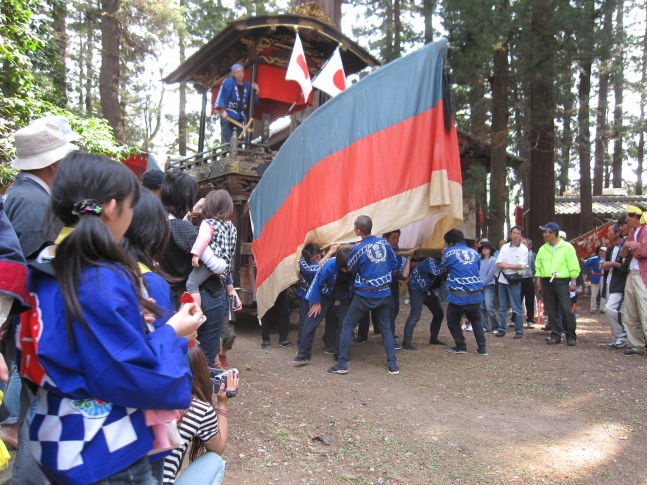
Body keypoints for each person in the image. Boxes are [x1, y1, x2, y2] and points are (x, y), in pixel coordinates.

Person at [19, 153, 201, 484]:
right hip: (104, 447)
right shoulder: (101, 278)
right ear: (111, 208)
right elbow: (132, 372)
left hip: (55, 431)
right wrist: (174, 330)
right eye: (131, 207)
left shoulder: (43, 266)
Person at [5, 120, 78, 485]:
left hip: (24, 330)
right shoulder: (36, 204)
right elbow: (38, 278)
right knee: (38, 412)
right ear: (54, 165)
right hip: (35, 330)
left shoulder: (19, 194)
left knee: (32, 411)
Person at [158, 171, 242, 368]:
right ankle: (203, 394)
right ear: (186, 196)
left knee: (186, 351)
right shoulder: (183, 228)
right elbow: (208, 253)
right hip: (207, 295)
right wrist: (223, 272)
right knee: (204, 358)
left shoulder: (159, 226)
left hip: (178, 297)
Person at [329, 216, 399, 375]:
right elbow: (394, 263)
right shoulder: (384, 243)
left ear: (358, 230)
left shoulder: (358, 249)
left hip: (364, 295)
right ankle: (392, 365)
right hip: (384, 292)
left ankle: (341, 363)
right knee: (386, 328)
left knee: (347, 325)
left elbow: (351, 268)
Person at [163, 346, 238, 484]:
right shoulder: (198, 409)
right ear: (200, 370)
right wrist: (222, 403)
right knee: (215, 461)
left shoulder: (145, 398)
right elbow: (218, 448)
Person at [291, 248, 354, 365]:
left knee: (344, 322)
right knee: (311, 319)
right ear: (338, 263)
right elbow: (317, 283)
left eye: (348, 268)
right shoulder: (329, 265)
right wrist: (316, 302)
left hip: (344, 294)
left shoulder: (354, 264)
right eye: (343, 267)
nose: (346, 270)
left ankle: (340, 353)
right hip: (325, 293)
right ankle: (303, 353)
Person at [439, 229, 487, 355]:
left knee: (452, 321)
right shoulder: (474, 252)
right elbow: (477, 268)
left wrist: (443, 253)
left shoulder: (449, 252)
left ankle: (461, 346)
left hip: (459, 296)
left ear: (449, 242)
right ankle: (482, 348)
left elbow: (442, 267)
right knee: (476, 321)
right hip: (476, 294)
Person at [188, 190, 237, 310]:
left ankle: (196, 312)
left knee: (192, 284)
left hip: (212, 262)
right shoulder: (231, 226)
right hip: (223, 265)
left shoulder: (208, 223)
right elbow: (232, 248)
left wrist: (196, 254)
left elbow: (203, 238)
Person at [535, 222, 580, 346]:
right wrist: (538, 281)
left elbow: (573, 264)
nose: (544, 235)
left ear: (553, 234)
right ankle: (555, 335)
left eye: (546, 232)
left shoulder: (567, 247)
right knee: (551, 309)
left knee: (566, 309)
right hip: (547, 280)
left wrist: (574, 281)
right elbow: (538, 265)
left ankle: (570, 335)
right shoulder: (543, 248)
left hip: (562, 280)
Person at [296, 243, 337, 349]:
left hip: (323, 294)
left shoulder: (325, 258)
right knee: (305, 320)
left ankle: (330, 343)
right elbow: (315, 268)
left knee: (331, 318)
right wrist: (330, 253)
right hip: (306, 294)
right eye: (312, 260)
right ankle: (302, 345)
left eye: (317, 257)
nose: (316, 261)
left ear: (320, 253)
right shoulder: (303, 262)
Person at [620, 204, 647, 356]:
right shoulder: (633, 232)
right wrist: (628, 245)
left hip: (643, 274)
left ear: (635, 216)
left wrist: (631, 248)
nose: (626, 220)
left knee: (645, 310)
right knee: (630, 311)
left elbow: (643, 251)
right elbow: (624, 254)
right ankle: (637, 345)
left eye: (628, 216)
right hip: (632, 273)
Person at [401, 255, 445, 350]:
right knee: (415, 315)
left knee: (439, 313)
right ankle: (406, 342)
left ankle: (434, 338)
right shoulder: (431, 259)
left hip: (429, 288)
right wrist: (448, 265)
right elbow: (436, 271)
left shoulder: (442, 261)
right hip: (416, 287)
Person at [494, 226, 528, 339]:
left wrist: (506, 265)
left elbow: (522, 265)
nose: (515, 235)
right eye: (514, 233)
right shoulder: (504, 247)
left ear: (521, 235)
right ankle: (502, 328)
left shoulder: (523, 249)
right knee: (502, 306)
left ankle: (519, 330)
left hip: (515, 280)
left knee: (516, 306)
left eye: (518, 233)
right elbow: (498, 261)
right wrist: (510, 266)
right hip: (502, 279)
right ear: (510, 234)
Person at [601, 217, 630, 348]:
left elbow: (626, 266)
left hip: (620, 282)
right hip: (609, 281)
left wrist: (614, 264)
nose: (608, 234)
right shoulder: (610, 249)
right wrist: (606, 265)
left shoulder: (626, 245)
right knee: (609, 308)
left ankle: (622, 336)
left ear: (618, 233)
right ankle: (616, 337)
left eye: (610, 232)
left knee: (611, 308)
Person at [215, 63, 260, 143]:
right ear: (233, 73)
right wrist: (224, 111)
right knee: (226, 125)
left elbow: (253, 102)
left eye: (241, 72)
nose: (239, 74)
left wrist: (256, 91)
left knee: (239, 133)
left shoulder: (247, 86)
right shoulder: (228, 82)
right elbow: (222, 96)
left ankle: (238, 146)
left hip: (239, 113)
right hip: (228, 111)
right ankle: (229, 145)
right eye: (237, 72)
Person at [479, 240, 499, 333]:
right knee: (482, 307)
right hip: (479, 287)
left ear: (490, 250)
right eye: (483, 248)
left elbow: (491, 274)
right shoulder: (479, 260)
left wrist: (483, 283)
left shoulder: (493, 260)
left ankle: (496, 326)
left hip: (488, 286)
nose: (485, 250)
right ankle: (485, 326)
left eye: (487, 248)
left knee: (489, 307)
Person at [583, 247, 607, 313]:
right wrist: (591, 269)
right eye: (600, 251)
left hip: (604, 276)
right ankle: (593, 308)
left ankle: (603, 308)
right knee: (594, 293)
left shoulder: (608, 259)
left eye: (603, 251)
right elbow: (586, 264)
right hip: (596, 276)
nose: (601, 252)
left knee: (603, 293)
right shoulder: (595, 258)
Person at [520, 238, 537, 328]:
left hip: (529, 279)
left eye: (525, 243)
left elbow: (534, 268)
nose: (523, 245)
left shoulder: (531, 254)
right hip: (518, 280)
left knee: (529, 300)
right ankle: (515, 319)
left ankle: (530, 320)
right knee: (517, 300)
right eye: (522, 243)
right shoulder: (516, 254)